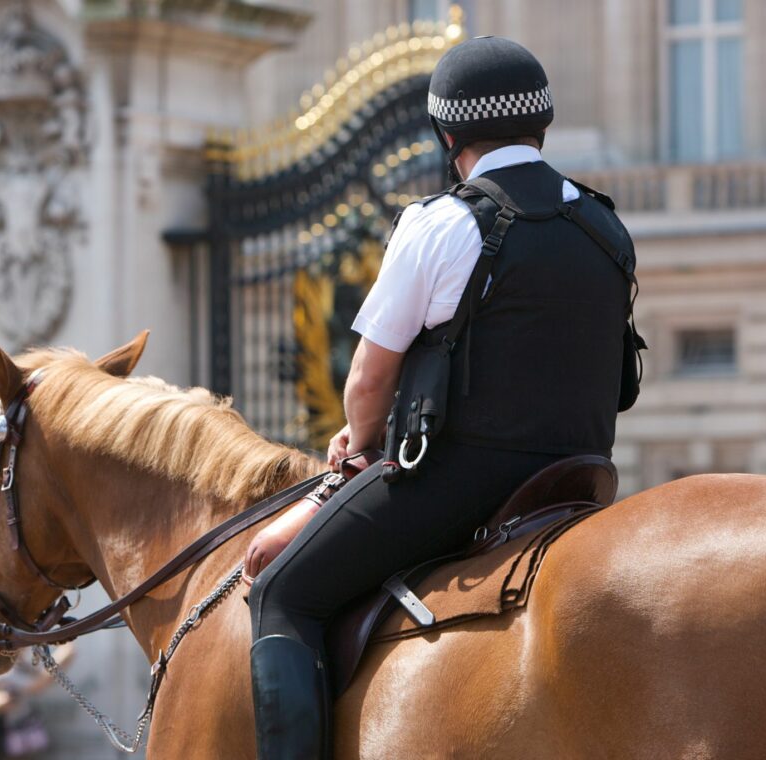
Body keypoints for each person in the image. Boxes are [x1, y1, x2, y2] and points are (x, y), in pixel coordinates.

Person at [245, 36, 639, 758]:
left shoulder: (444, 223)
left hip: (462, 482)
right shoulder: (604, 225)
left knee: (282, 595)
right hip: (581, 476)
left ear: (447, 134)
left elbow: (369, 376)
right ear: (540, 125)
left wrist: (358, 442)